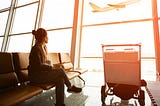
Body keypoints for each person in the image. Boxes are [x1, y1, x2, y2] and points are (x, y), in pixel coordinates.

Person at [28, 28, 82, 106]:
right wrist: (52, 67)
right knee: (60, 71)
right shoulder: (35, 49)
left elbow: (46, 62)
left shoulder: (44, 48)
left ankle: (60, 104)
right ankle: (70, 87)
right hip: (35, 76)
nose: (48, 38)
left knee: (60, 79)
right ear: (43, 37)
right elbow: (38, 66)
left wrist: (53, 66)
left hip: (42, 74)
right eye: (47, 36)